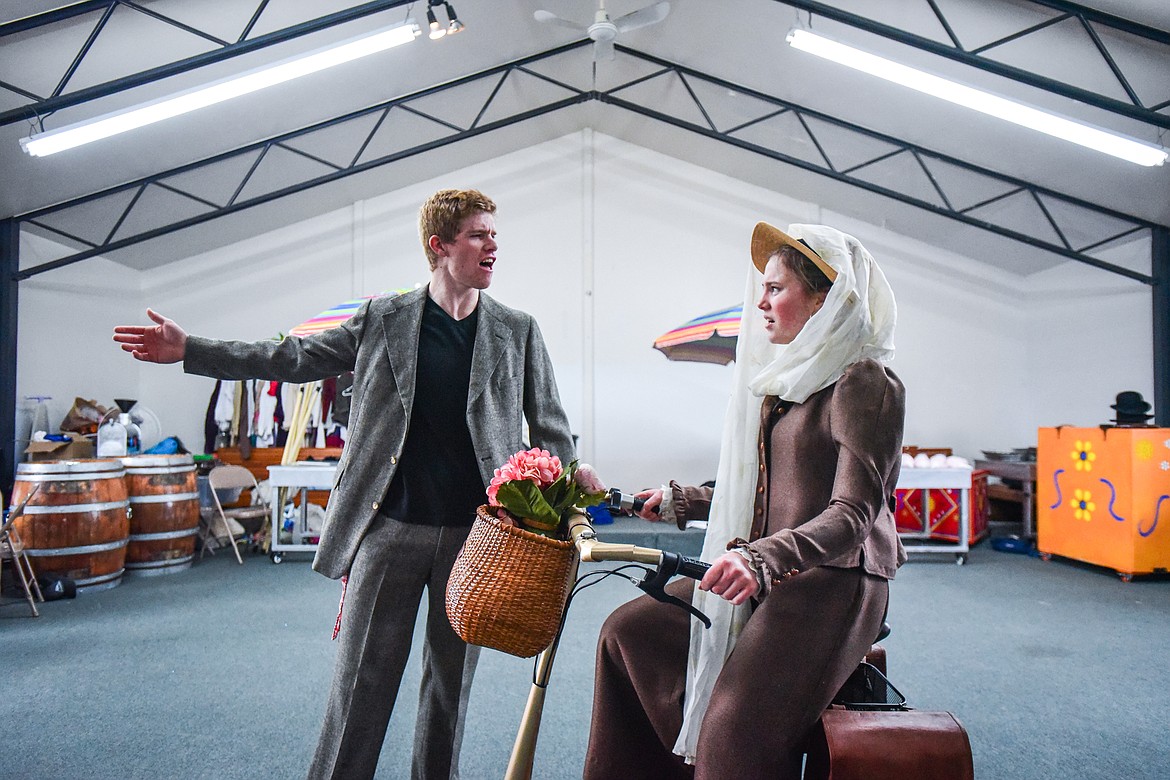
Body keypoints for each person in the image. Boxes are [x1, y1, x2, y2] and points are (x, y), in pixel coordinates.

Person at [113, 188, 575, 780]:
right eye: (479, 235)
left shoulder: (518, 330)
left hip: (479, 543)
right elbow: (292, 358)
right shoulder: (384, 319)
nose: (493, 246)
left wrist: (556, 515)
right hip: (387, 531)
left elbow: (552, 431)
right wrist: (192, 349)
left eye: (494, 235)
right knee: (360, 688)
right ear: (439, 246)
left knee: (449, 692)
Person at [584, 223, 905, 780]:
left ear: (827, 299)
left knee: (732, 733)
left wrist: (761, 558)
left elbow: (854, 516)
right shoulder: (784, 381)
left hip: (834, 580)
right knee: (626, 635)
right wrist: (681, 500)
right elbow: (763, 490)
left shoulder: (863, 382)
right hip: (764, 568)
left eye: (777, 288)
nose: (760, 301)